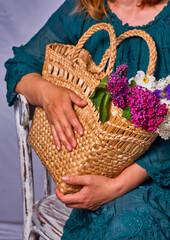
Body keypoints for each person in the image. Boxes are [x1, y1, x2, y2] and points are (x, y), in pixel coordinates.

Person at [5, 0, 170, 239]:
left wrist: (116, 187)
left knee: (132, 222)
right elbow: (21, 66)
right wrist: (47, 94)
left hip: (156, 176)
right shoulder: (84, 9)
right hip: (93, 168)